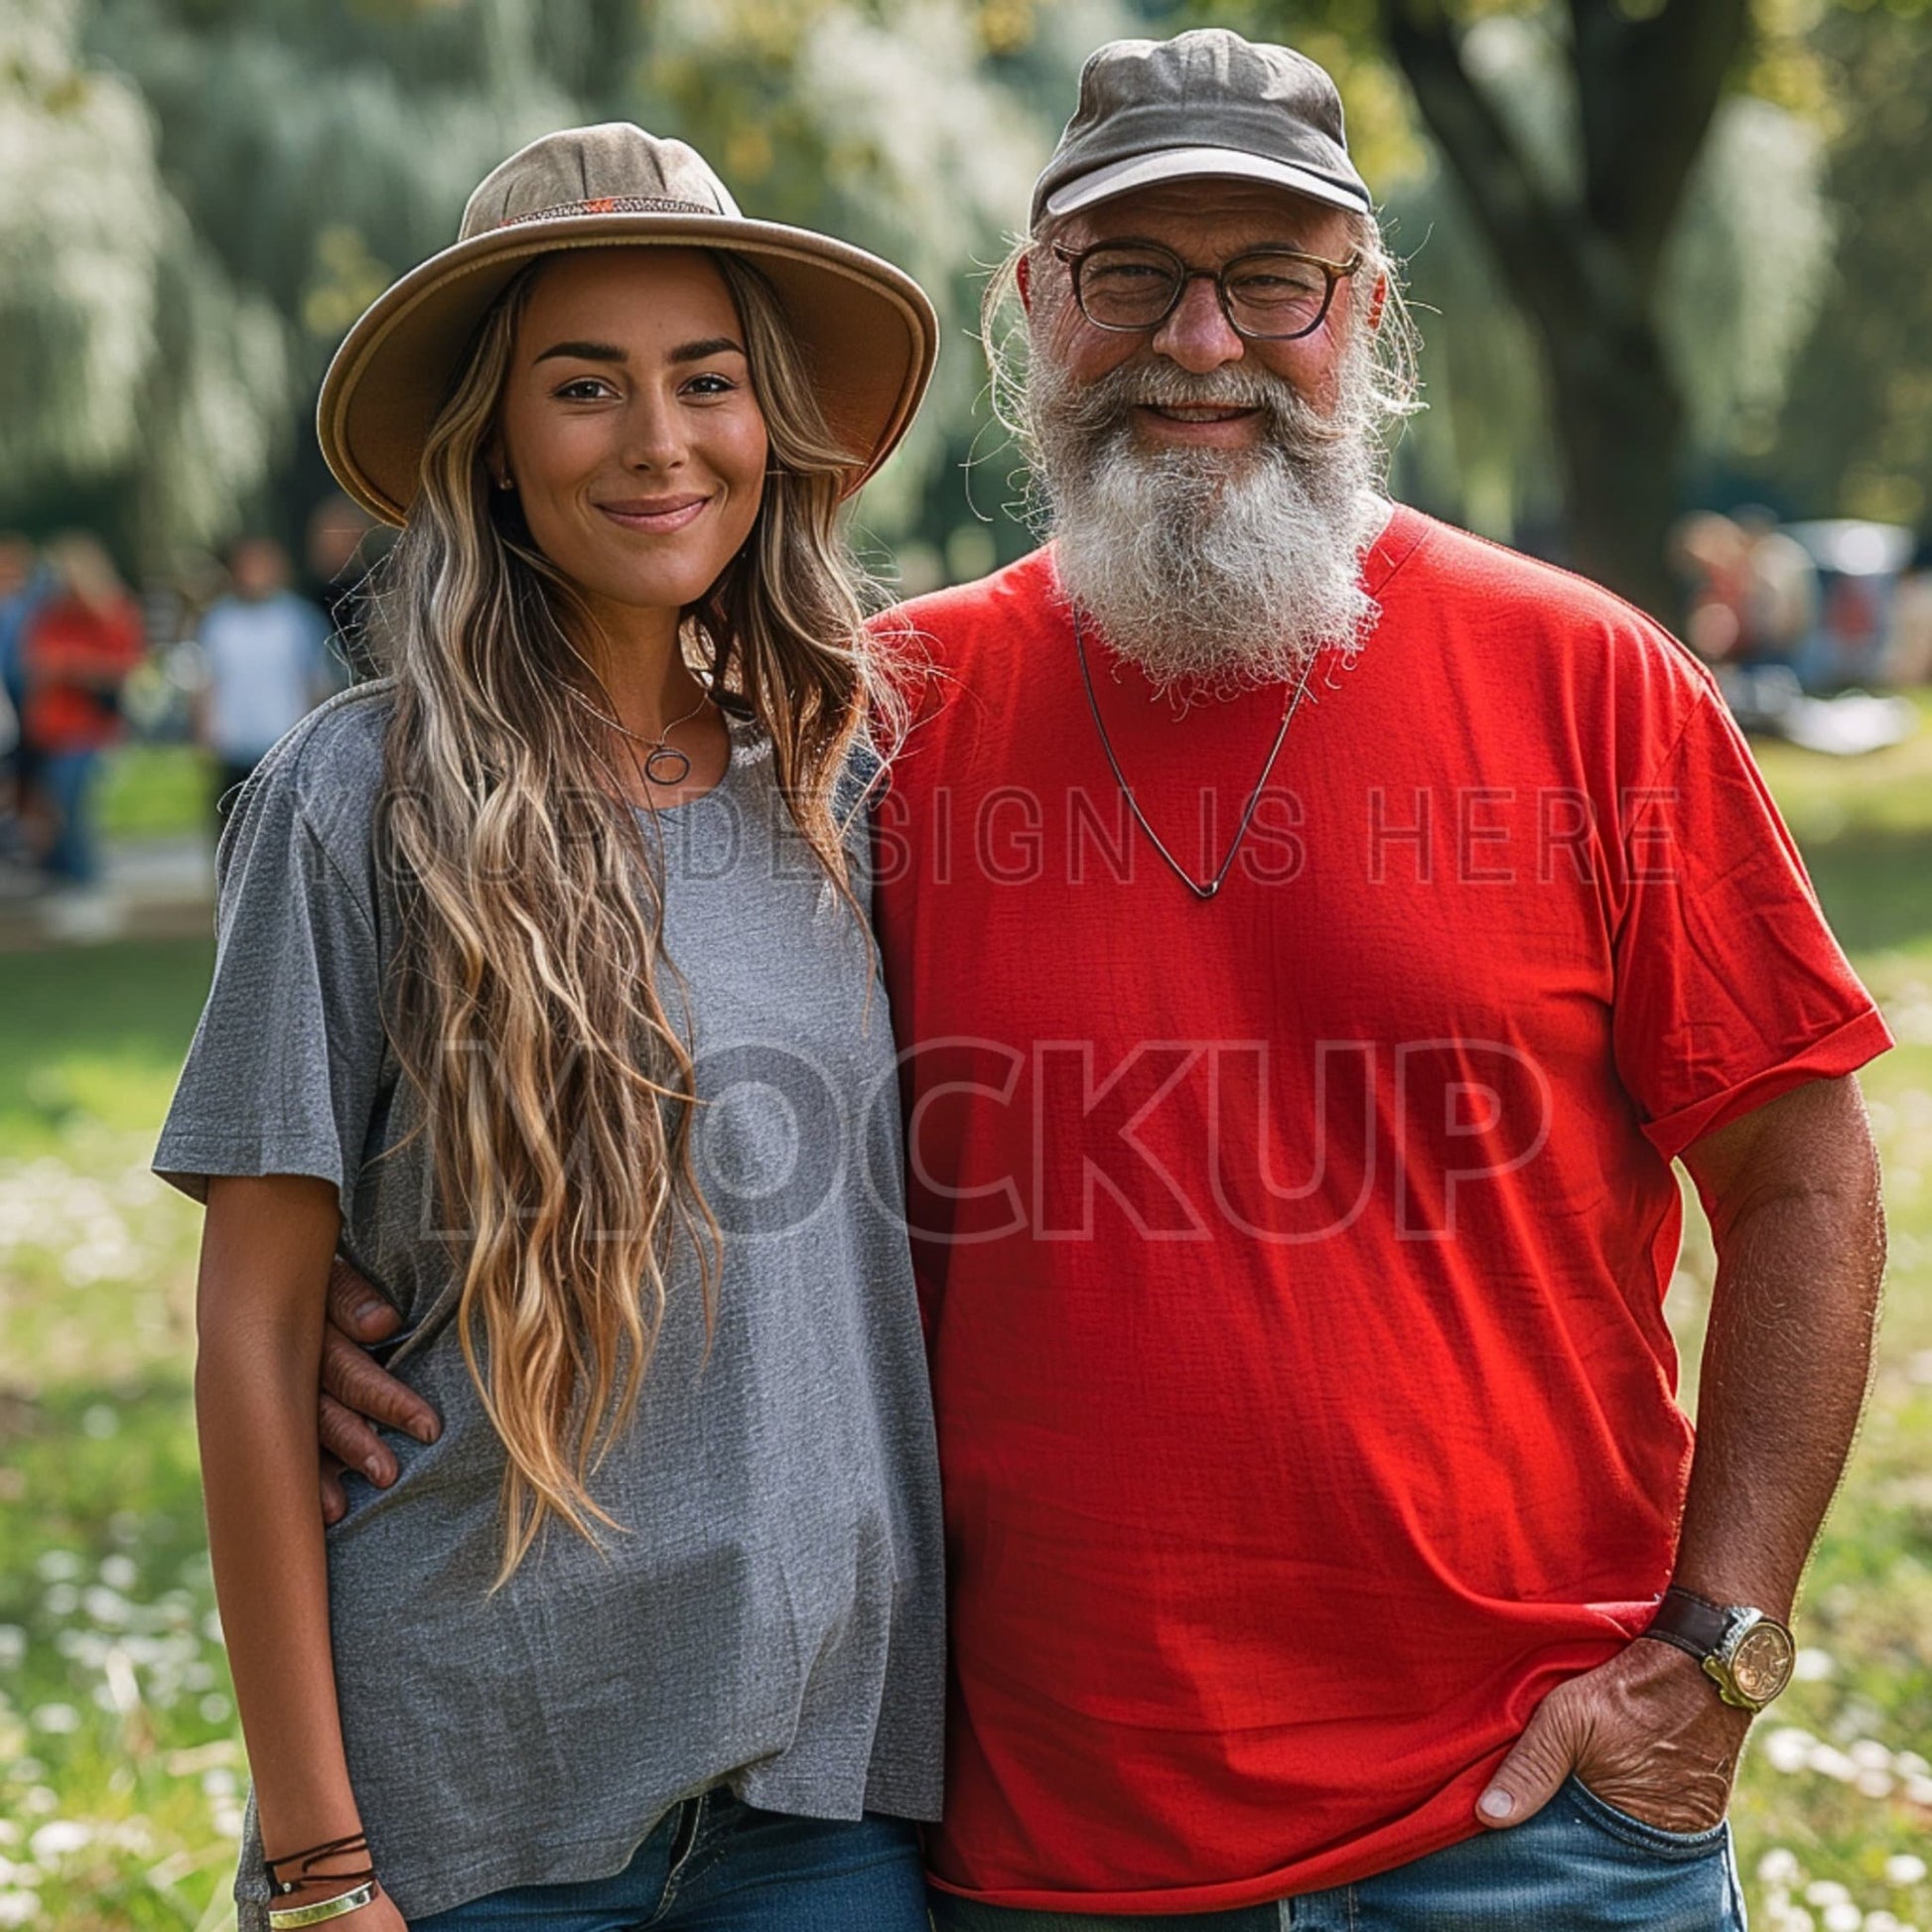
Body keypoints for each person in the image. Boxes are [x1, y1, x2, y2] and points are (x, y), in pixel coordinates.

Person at [316, 33, 1891, 1932]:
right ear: (1034, 311)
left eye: (1271, 283)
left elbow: (1806, 1183)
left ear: (1367, 313)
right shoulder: (866, 725)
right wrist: (366, 1270)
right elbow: (623, 1038)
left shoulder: (1593, 685)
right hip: (1055, 1852)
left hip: (1535, 1829)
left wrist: (1715, 1652)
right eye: (1129, 276)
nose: (1200, 342)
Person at [155, 123, 945, 1932]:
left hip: (829, 1791)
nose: (658, 442)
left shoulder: (858, 784)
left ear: (772, 425)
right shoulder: (355, 797)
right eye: (583, 388)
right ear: (494, 452)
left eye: (705, 380)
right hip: (477, 1799)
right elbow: (259, 1341)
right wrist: (322, 1860)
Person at [21, 532, 146, 889]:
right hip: (52, 728)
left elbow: (123, 670)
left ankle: (86, 879)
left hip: (90, 728)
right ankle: (66, 877)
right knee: (53, 808)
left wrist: (75, 667)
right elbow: (39, 665)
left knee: (72, 802)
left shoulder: (113, 613)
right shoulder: (48, 617)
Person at [194, 535, 337, 833]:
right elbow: (205, 679)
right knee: (232, 824)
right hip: (234, 742)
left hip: (285, 740)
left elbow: (317, 680)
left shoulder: (299, 619)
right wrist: (204, 730)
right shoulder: (218, 621)